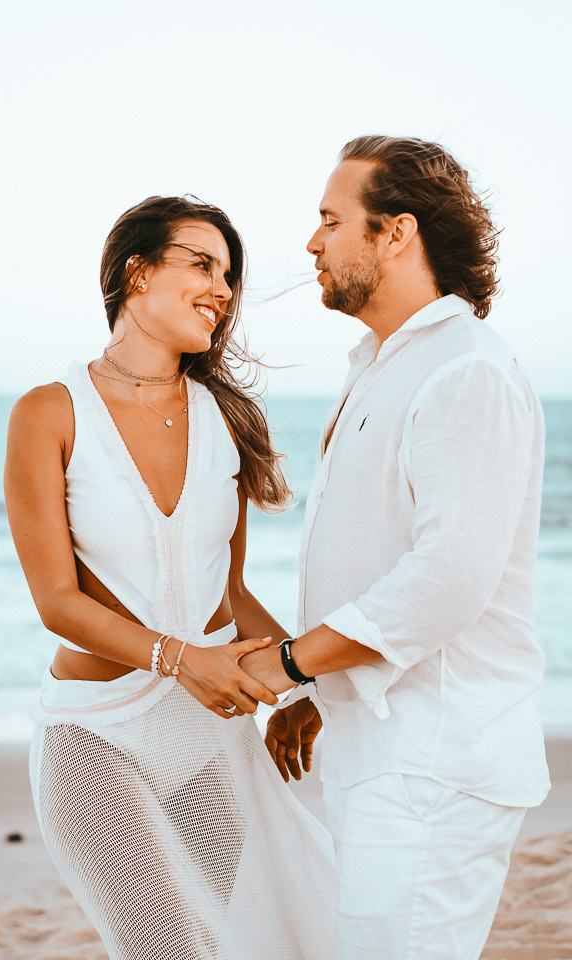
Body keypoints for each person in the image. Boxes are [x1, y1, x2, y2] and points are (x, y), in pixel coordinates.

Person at [239, 136, 551, 959]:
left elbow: (448, 578)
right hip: (378, 752)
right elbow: (376, 557)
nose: (312, 243)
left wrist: (295, 661)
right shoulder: (384, 367)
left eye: (332, 221)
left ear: (396, 232)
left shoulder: (467, 372)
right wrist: (322, 693)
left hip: (434, 767)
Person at [4, 195, 335, 960]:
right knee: (165, 950)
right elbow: (57, 602)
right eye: (201, 263)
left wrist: (303, 684)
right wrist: (182, 659)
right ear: (135, 272)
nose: (222, 288)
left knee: (224, 943)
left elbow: (232, 596)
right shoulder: (49, 413)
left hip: (206, 744)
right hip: (96, 736)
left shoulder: (230, 418)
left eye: (228, 274)